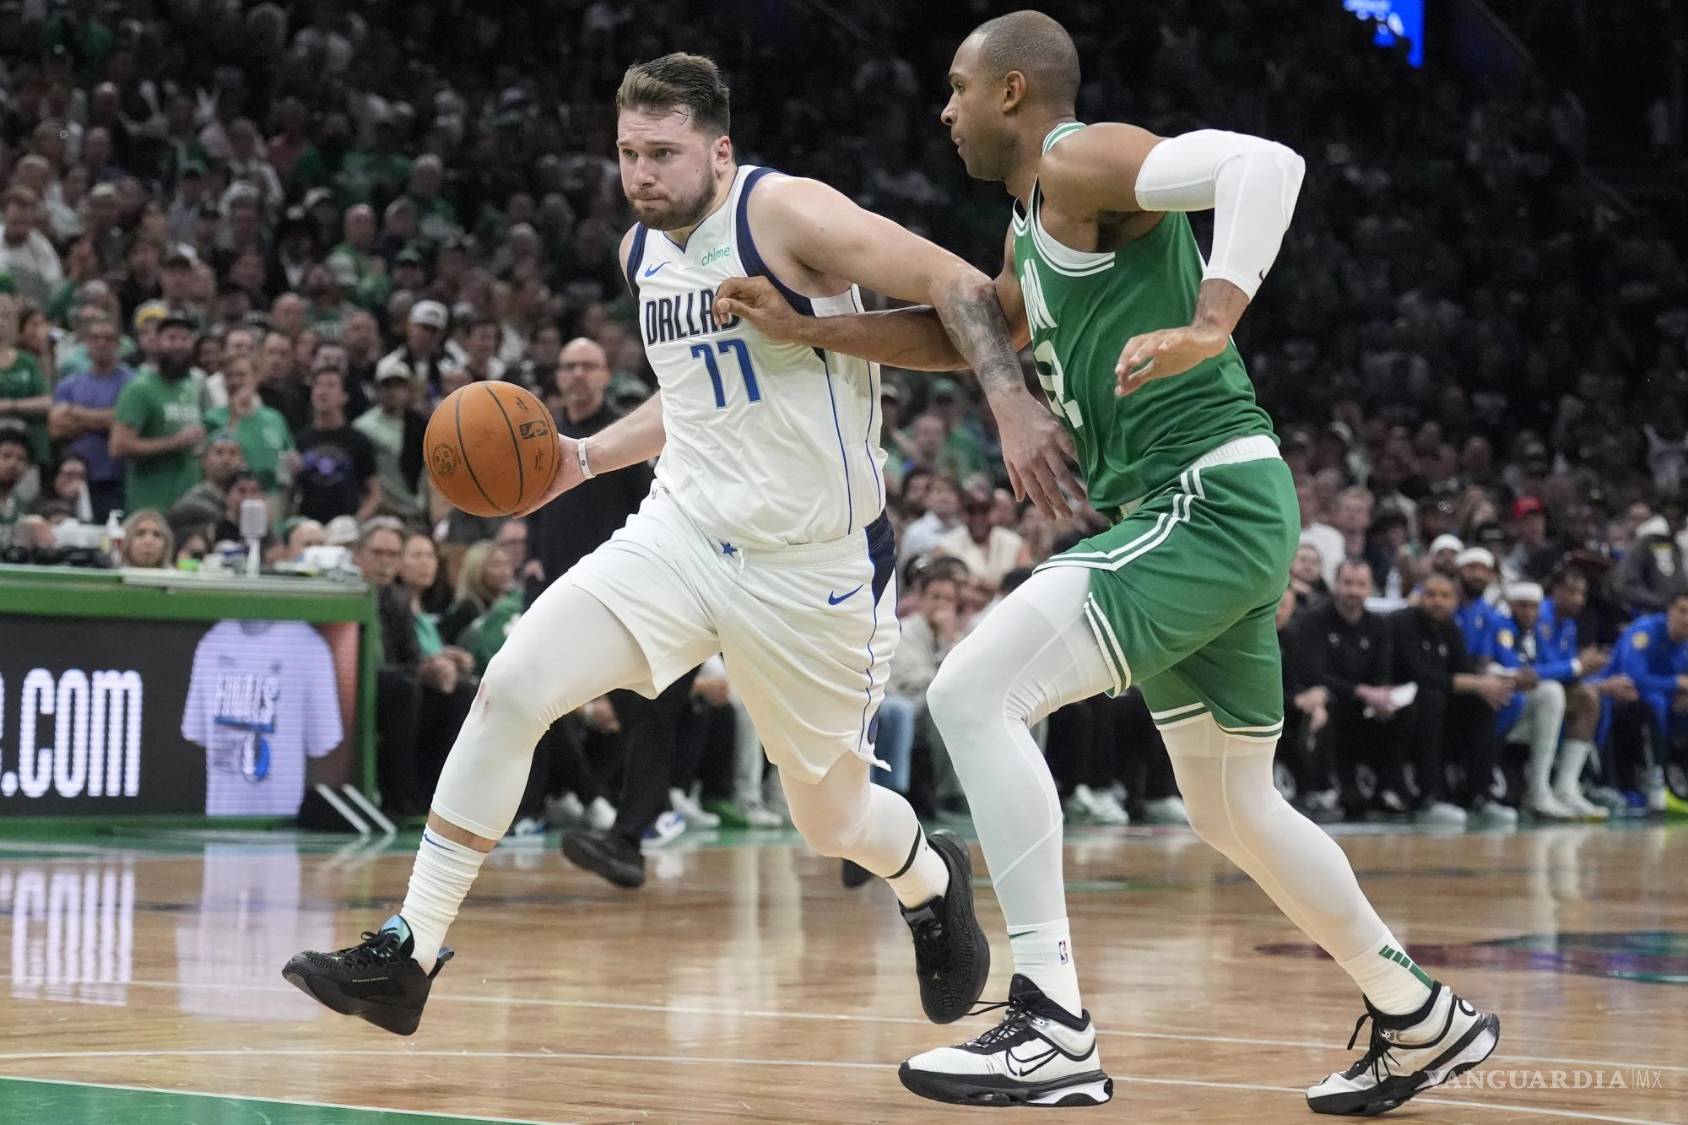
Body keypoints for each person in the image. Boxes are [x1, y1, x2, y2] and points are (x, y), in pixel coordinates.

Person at [717, 13, 1495, 1111]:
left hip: (1204, 497)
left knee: (972, 690)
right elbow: (961, 336)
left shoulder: (1080, 160)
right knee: (1231, 810)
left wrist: (1212, 319)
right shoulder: (1024, 238)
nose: (940, 111)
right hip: (1202, 510)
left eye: (956, 87)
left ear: (1014, 92)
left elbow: (1261, 164)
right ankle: (1420, 1017)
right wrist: (807, 332)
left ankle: (1051, 1019)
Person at [284, 52, 1078, 1039]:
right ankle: (411, 947)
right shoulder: (639, 253)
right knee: (511, 684)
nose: (641, 174)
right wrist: (583, 456)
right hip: (681, 534)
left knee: (829, 820)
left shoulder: (783, 215)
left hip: (811, 569)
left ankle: (926, 874)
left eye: (662, 153)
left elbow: (959, 285)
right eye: (626, 153)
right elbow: (690, 397)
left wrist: (1006, 404)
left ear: (719, 150)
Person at [109, 311, 205, 515]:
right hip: (151, 506)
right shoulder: (140, 388)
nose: (179, 345)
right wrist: (174, 443)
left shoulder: (191, 387)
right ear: (156, 343)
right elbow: (118, 446)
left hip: (189, 505)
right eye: (171, 338)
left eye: (184, 339)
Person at [49, 312, 134, 518]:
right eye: (95, 338)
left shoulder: (132, 382)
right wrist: (105, 420)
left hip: (116, 477)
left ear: (118, 343)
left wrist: (76, 412)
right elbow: (57, 428)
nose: (101, 343)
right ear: (86, 342)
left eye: (108, 338)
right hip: (75, 476)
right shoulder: (69, 384)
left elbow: (123, 421)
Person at [292, 367, 380, 522]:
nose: (323, 391)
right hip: (308, 526)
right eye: (318, 385)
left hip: (345, 526)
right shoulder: (299, 440)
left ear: (344, 396)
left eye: (331, 385)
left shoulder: (358, 440)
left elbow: (375, 493)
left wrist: (356, 522)